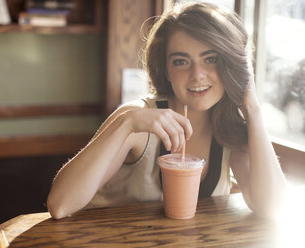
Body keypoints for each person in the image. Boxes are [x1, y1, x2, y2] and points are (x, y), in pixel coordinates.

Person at [47, 2, 287, 219]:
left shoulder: (230, 132)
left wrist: (252, 108)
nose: (197, 75)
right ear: (165, 70)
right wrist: (126, 123)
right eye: (181, 61)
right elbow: (60, 205)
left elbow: (273, 208)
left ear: (231, 64)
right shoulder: (137, 119)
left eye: (211, 59)